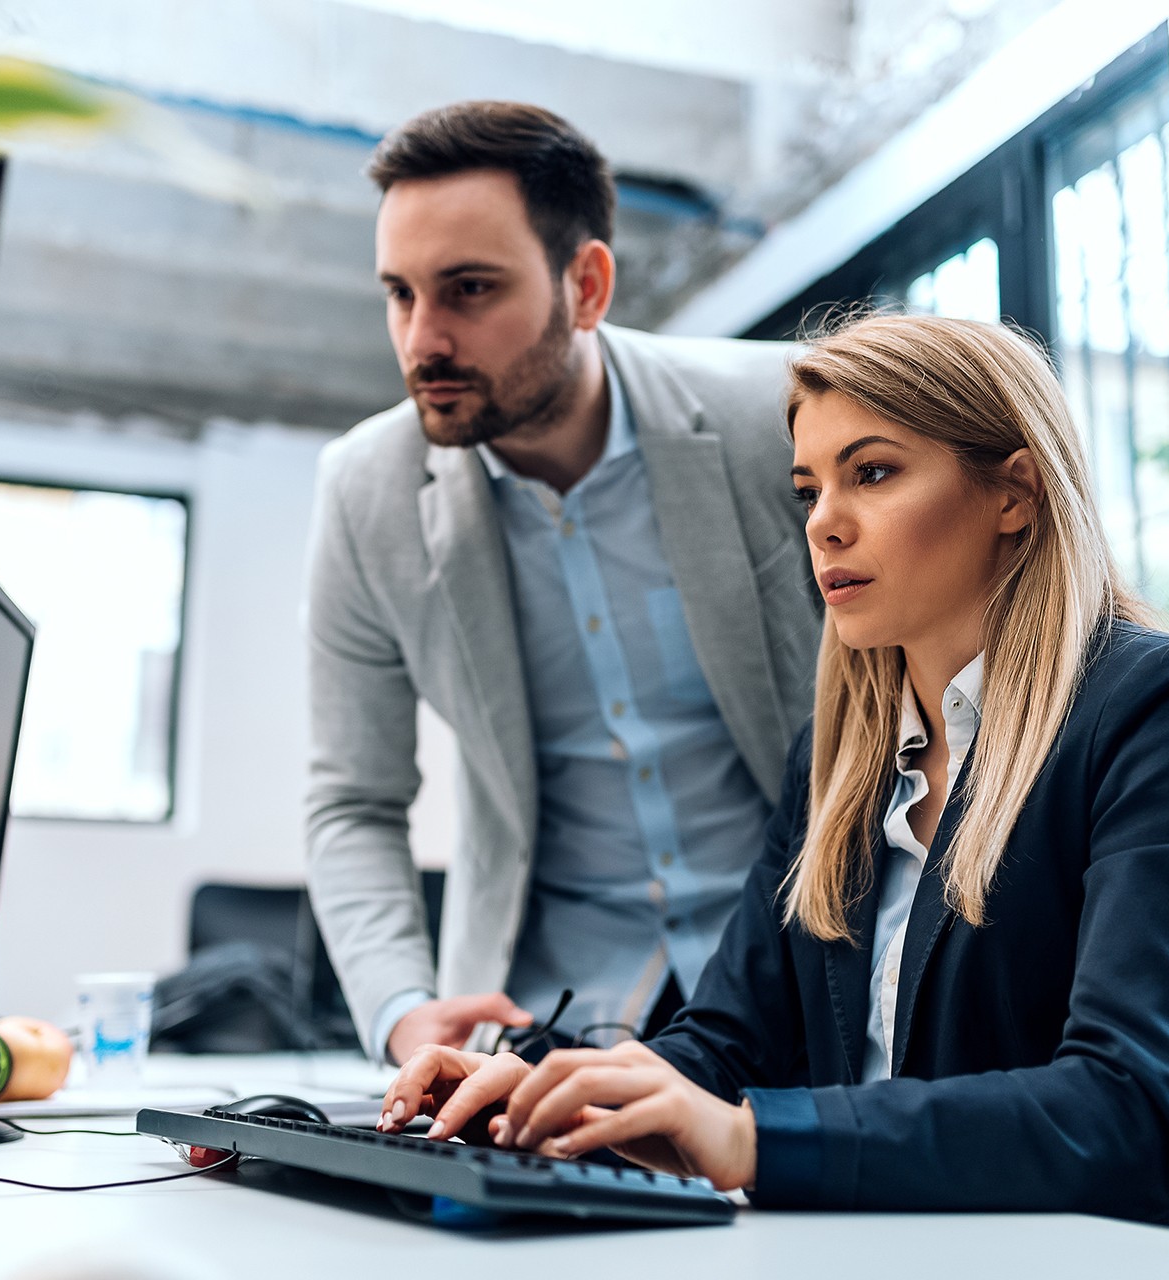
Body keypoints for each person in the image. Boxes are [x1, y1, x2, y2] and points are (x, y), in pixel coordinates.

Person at [376, 313, 1169, 1235]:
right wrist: (551, 1098)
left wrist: (749, 1141)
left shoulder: (1167, 712)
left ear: (1014, 492)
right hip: (875, 1246)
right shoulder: (839, 757)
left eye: (873, 473)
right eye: (808, 490)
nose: (824, 524)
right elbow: (725, 1045)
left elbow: (1131, 1113)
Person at [303, 101, 820, 1066]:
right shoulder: (364, 491)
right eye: (401, 294)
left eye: (468, 289)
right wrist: (402, 1010)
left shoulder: (780, 415)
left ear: (586, 286)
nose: (422, 340)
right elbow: (353, 800)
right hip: (543, 1016)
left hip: (804, 979)